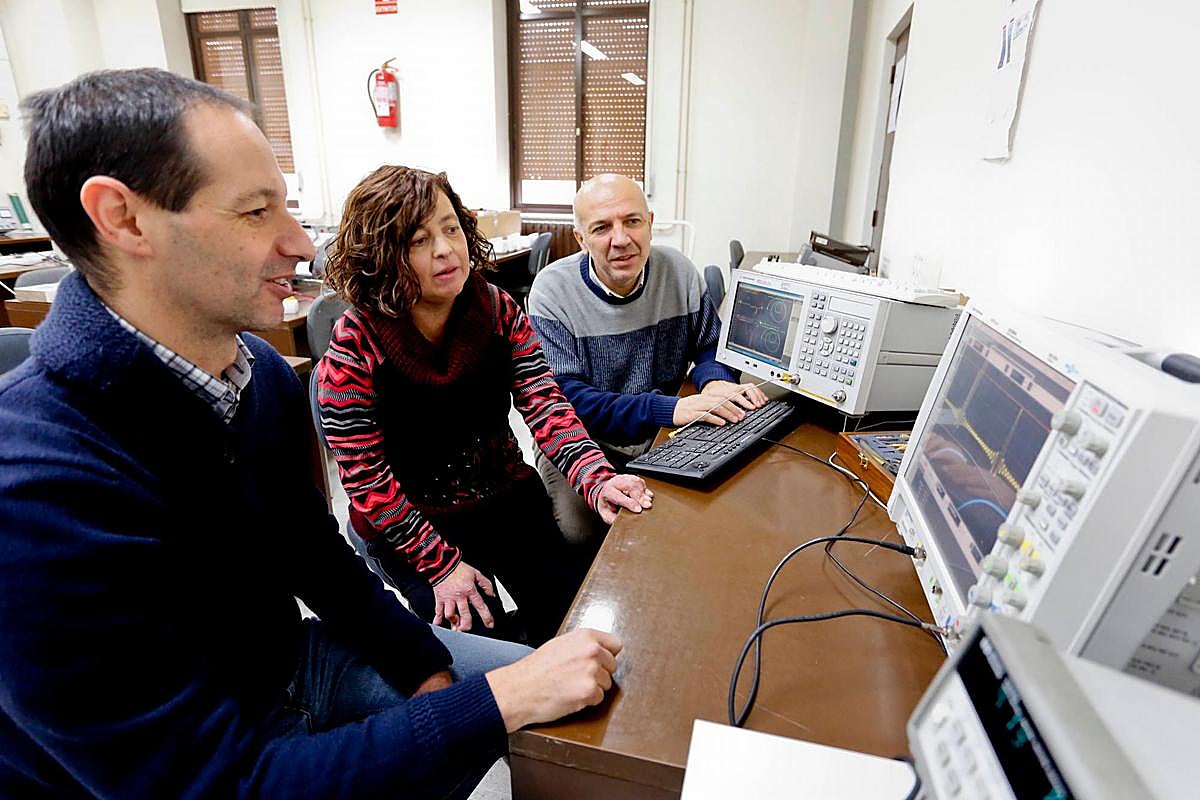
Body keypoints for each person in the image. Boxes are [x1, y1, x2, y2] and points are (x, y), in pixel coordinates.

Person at [0, 67, 624, 799]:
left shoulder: (259, 373)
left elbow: (313, 553)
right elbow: (209, 784)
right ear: (123, 219)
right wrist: (491, 703)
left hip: (292, 664)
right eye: (255, 211)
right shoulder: (33, 488)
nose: (301, 243)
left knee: (584, 709)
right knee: (513, 709)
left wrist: (423, 666)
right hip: (208, 759)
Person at [317, 165, 653, 647]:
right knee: (483, 646)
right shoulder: (355, 345)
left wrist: (596, 479)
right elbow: (365, 476)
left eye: (451, 228)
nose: (445, 249)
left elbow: (545, 405)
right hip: (411, 520)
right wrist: (440, 565)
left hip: (502, 494)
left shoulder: (496, 308)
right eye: (418, 240)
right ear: (381, 256)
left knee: (571, 620)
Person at [527, 173, 769, 543]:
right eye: (602, 228)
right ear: (580, 239)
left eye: (632, 221)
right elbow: (567, 400)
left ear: (650, 224)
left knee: (707, 510)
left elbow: (711, 345)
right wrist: (668, 409)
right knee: (579, 533)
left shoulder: (679, 272)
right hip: (584, 440)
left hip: (661, 433)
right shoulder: (552, 291)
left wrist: (716, 382)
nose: (621, 239)